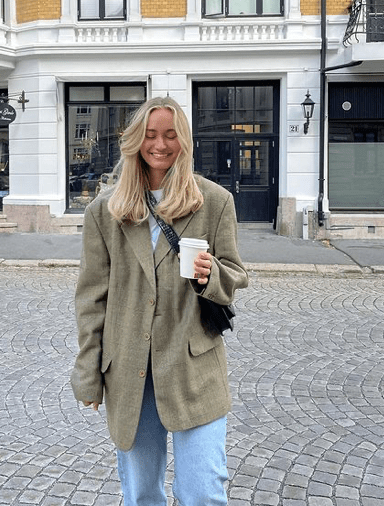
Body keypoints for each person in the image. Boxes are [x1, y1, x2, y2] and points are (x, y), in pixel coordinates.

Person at [71, 96, 248, 506]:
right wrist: (88, 373)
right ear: (135, 140)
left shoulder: (214, 201)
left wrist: (210, 274)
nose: (160, 145)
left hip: (194, 369)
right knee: (141, 495)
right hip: (129, 371)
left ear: (184, 140)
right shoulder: (104, 211)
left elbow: (235, 274)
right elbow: (91, 299)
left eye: (170, 135)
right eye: (150, 135)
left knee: (203, 493)